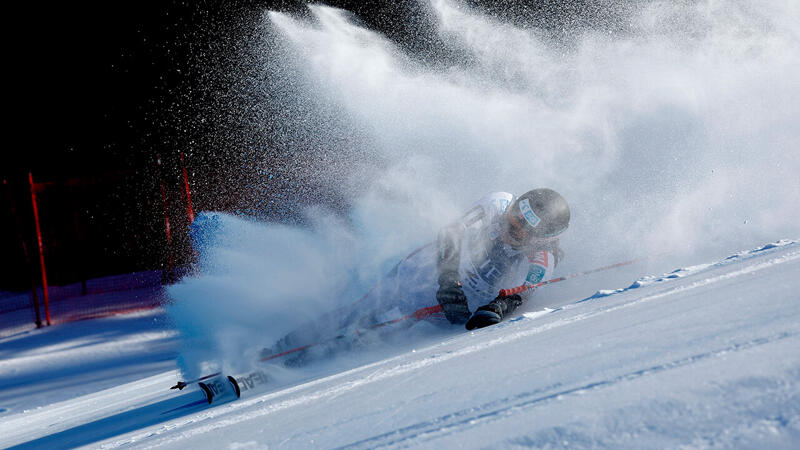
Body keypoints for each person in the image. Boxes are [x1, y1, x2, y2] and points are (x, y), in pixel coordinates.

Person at [269, 189, 569, 357]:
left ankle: (303, 366)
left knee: (375, 334)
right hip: (423, 272)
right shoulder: (498, 202)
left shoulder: (543, 258)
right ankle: (281, 349)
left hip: (445, 310)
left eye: (519, 231)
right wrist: (449, 281)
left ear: (539, 239)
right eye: (512, 216)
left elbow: (521, 295)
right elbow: (451, 233)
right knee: (361, 310)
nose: (508, 228)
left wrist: (495, 309)